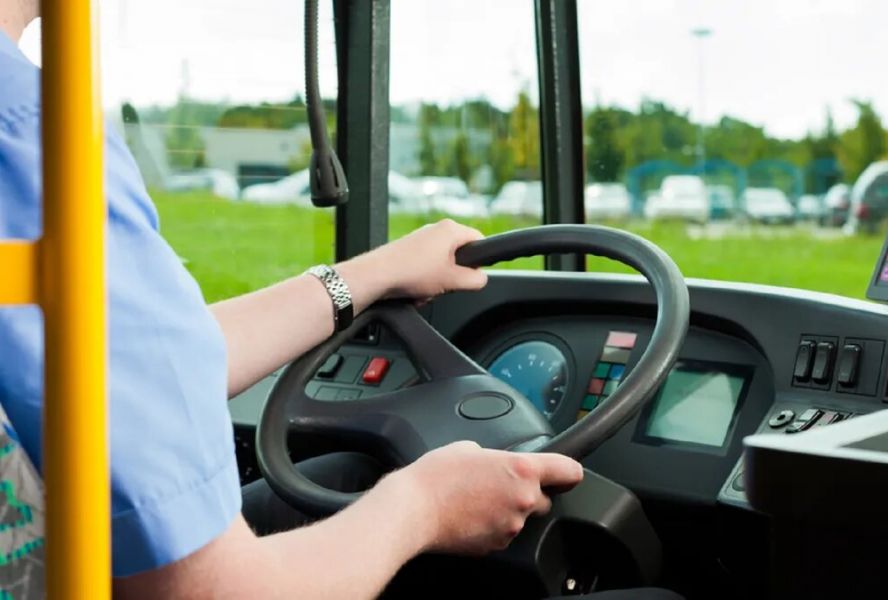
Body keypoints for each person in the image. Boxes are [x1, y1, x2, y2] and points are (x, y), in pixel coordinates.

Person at [0, 4, 680, 600]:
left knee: (343, 473)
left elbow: (133, 369)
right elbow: (212, 593)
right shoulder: (37, 145)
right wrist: (424, 506)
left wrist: (374, 274)